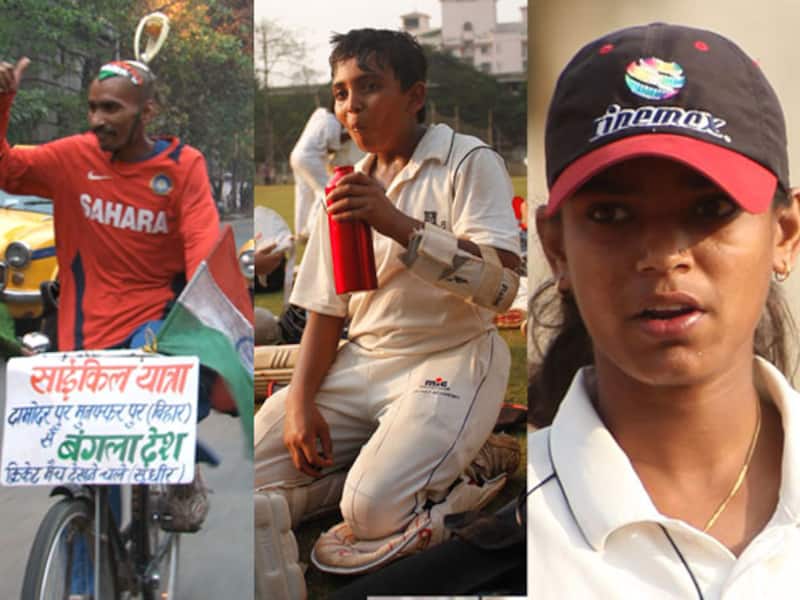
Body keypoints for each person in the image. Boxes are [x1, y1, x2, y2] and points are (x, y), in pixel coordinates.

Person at [529, 23, 800, 599]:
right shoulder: (515, 533)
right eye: (611, 215)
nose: (662, 256)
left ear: (785, 233)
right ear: (557, 249)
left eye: (710, 208)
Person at [254, 28, 522, 597]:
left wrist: (397, 224)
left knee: (372, 512)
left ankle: (478, 464)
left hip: (452, 356)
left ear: (415, 95)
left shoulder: (467, 161)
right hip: (365, 359)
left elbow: (502, 287)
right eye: (340, 93)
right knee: (247, 470)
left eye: (369, 87)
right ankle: (358, 477)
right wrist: (300, 403)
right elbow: (326, 311)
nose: (352, 107)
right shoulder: (345, 187)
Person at [0, 56, 220, 593]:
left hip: (152, 330)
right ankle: (86, 579)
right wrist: (2, 101)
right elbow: (6, 169)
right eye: (93, 108)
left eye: (113, 108)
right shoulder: (71, 157)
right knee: (88, 475)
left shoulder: (183, 166)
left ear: (148, 111)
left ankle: (177, 465)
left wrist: (205, 306)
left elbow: (203, 244)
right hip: (80, 338)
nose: (98, 119)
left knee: (176, 372)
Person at [290, 102, 346, 242]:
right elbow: (333, 147)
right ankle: (309, 230)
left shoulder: (320, 113)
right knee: (325, 191)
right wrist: (350, 134)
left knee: (303, 194)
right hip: (310, 159)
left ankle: (300, 231)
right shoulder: (334, 123)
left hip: (296, 155)